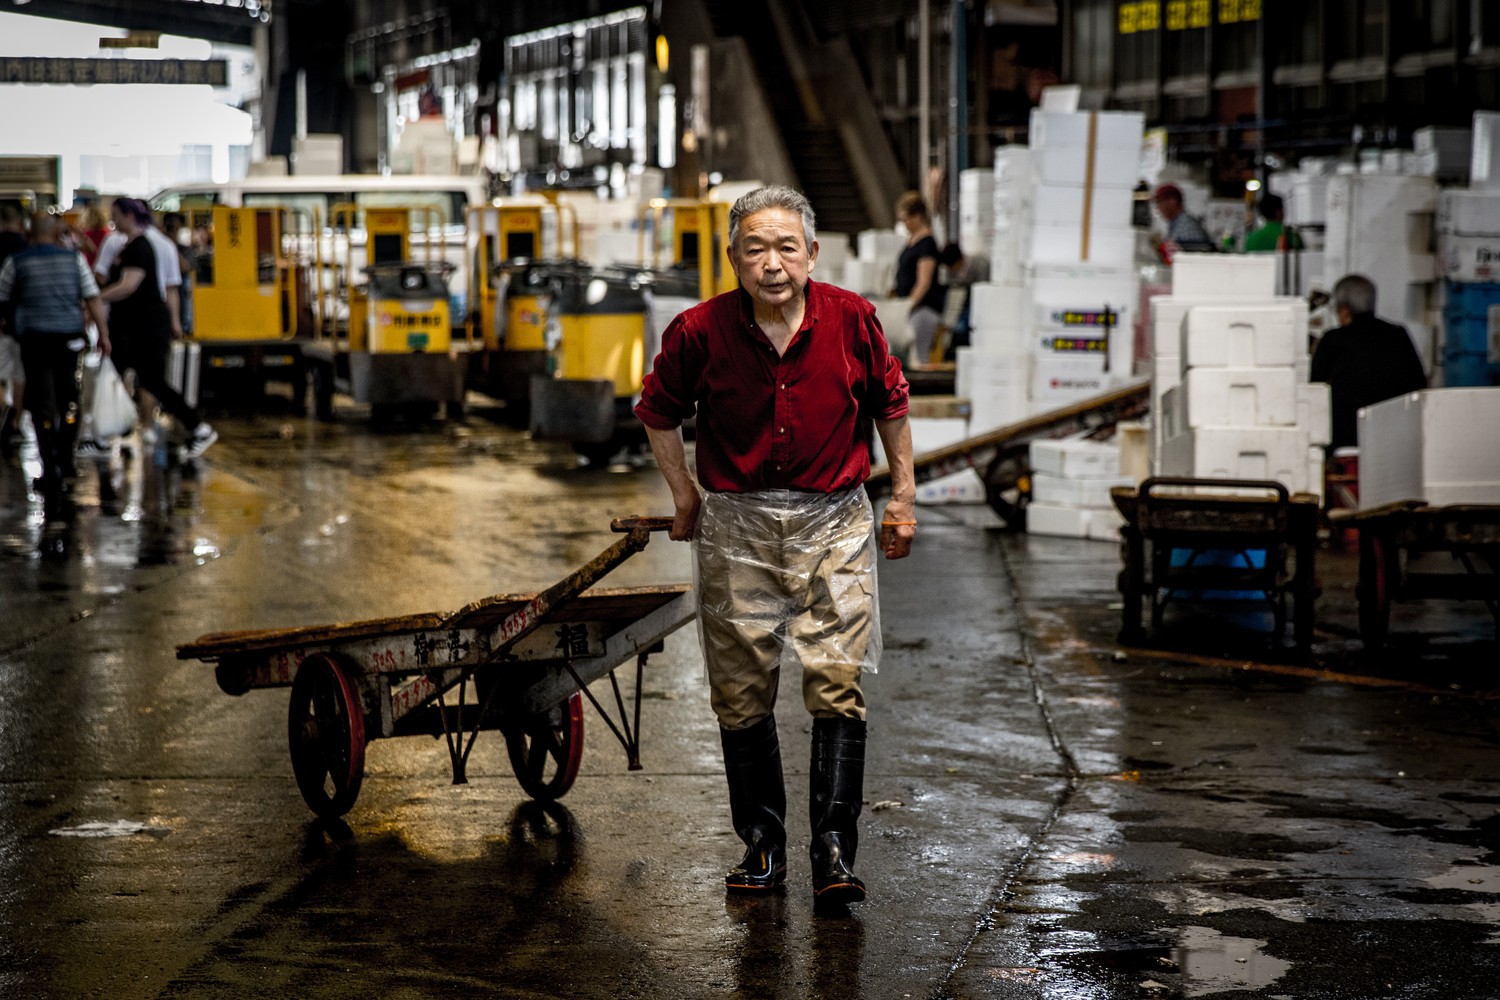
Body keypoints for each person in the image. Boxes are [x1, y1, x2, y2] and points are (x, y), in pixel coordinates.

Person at [635, 185, 916, 909]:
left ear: (812, 254)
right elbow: (657, 412)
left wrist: (905, 497)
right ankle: (762, 843)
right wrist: (685, 494)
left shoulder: (853, 319)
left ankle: (832, 851)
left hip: (836, 524)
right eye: (755, 248)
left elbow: (891, 404)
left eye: (786, 247)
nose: (772, 263)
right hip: (738, 527)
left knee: (836, 683)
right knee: (740, 690)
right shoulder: (698, 330)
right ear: (732, 257)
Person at [0, 213, 111, 498]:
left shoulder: (16, 261)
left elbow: (2, 299)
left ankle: (50, 468)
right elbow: (93, 297)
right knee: (70, 399)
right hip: (69, 340)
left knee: (42, 403)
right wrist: (104, 334)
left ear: (29, 232)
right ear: (56, 232)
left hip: (34, 342)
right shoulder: (74, 260)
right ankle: (67, 460)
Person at [97, 199, 215, 462]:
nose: (113, 222)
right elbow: (171, 287)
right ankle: (118, 430)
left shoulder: (138, 247)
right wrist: (174, 320)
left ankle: (194, 427)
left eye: (116, 216)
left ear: (130, 215)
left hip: (144, 326)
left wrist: (95, 300)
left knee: (147, 378)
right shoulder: (146, 244)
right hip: (143, 325)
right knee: (141, 376)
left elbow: (128, 284)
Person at [1309, 274, 1428, 452]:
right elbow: (1419, 384)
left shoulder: (1333, 340)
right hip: (1395, 436)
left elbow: (1315, 389)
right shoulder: (1398, 335)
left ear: (1344, 310)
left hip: (1345, 439)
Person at [892, 191, 947, 367]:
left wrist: (908, 306)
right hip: (910, 307)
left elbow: (924, 282)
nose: (904, 224)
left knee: (920, 357)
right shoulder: (911, 241)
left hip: (923, 309)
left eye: (906, 219)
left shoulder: (927, 244)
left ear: (917, 216)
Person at [0, 203, 29, 451]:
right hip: (23, 324)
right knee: (20, 375)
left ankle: (3, 414)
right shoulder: (26, 249)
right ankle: (16, 421)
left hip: (1, 321)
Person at [937, 241, 989, 358]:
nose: (952, 271)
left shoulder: (979, 264)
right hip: (959, 301)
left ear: (961, 260)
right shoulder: (947, 270)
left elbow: (983, 291)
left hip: (976, 302)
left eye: (954, 267)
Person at [1151, 183, 1216, 259]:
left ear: (1173, 201)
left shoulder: (1186, 226)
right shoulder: (1176, 223)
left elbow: (1185, 258)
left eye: (1160, 202)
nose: (1158, 208)